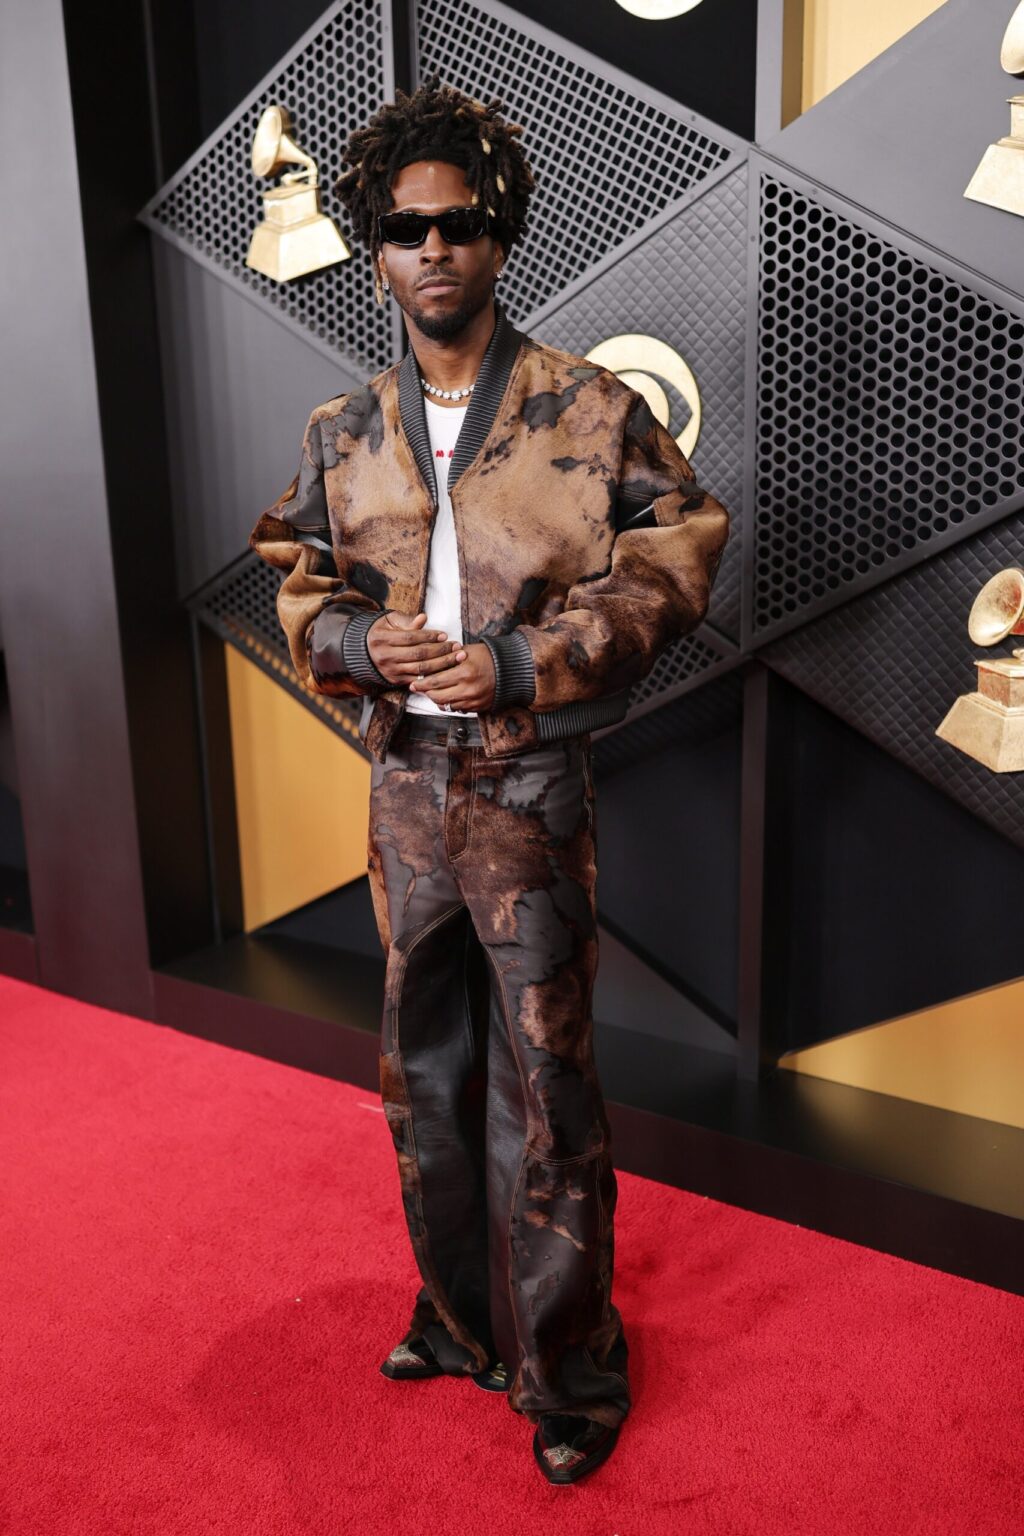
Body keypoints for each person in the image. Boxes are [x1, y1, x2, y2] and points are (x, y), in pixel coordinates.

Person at [249, 74, 730, 1484]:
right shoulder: (346, 430)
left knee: (547, 1076)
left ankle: (570, 1362)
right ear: (378, 249)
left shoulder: (587, 406)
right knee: (426, 1067)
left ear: (499, 234)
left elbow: (682, 543)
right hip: (404, 782)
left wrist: (530, 661)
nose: (432, 250)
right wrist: (353, 636)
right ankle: (463, 1316)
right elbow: (295, 579)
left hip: (527, 788)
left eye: (457, 225)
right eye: (403, 229)